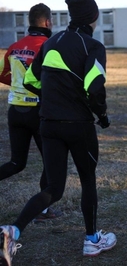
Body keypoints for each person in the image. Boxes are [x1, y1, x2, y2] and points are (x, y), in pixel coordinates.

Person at [0, 0, 116, 265]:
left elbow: (31, 80)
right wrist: (103, 115)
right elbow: (95, 86)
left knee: (54, 187)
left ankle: (13, 230)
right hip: (78, 126)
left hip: (48, 123)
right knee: (87, 180)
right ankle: (92, 240)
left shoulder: (52, 42)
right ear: (93, 18)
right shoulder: (93, 46)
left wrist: (53, 99)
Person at [0, 3, 63, 222]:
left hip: (15, 111)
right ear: (47, 22)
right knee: (49, 162)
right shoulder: (50, 45)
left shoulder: (15, 46)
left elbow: (2, 74)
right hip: (38, 111)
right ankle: (43, 210)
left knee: (17, 163)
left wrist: (18, 83)